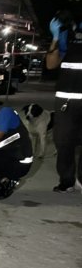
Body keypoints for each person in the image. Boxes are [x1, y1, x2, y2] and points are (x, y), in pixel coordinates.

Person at [45, 10, 82, 194]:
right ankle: (67, 181)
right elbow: (51, 64)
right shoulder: (65, 35)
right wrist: (55, 38)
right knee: (63, 141)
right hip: (66, 99)